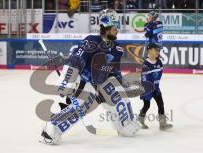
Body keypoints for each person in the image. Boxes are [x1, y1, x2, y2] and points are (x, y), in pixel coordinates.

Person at [40, 9, 141, 144]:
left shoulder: (117, 49)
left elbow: (115, 73)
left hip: (103, 84)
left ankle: (125, 124)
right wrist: (67, 81)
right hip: (86, 84)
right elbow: (76, 60)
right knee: (81, 106)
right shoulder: (91, 42)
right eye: (115, 27)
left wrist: (123, 85)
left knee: (119, 94)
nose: (118, 30)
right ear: (106, 27)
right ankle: (51, 129)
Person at [138, 43, 172, 130]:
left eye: (159, 50)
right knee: (146, 105)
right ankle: (140, 120)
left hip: (156, 88)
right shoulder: (146, 64)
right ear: (149, 50)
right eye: (156, 49)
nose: (158, 51)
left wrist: (156, 86)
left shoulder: (159, 62)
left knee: (161, 104)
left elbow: (159, 74)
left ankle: (162, 124)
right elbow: (144, 78)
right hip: (147, 89)